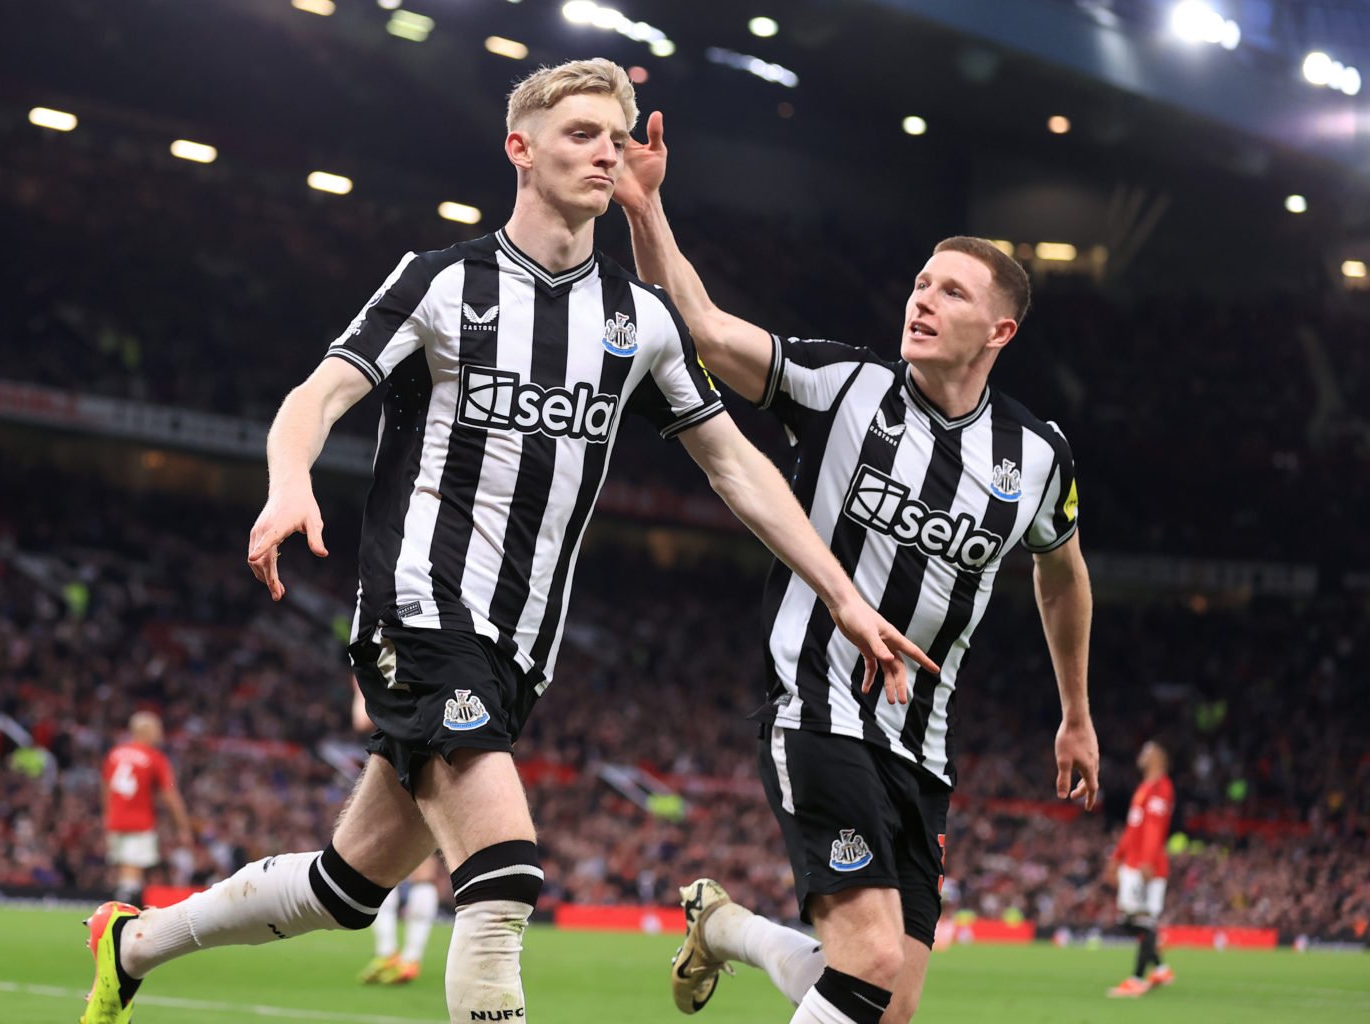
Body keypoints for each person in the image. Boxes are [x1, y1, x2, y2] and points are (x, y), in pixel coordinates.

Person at [76, 58, 934, 1024]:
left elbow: (736, 466)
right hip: (421, 607)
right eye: (579, 134)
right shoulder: (442, 282)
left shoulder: (636, 319)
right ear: (519, 149)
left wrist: (845, 597)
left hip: (519, 650)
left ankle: (132, 941)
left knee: (347, 887)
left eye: (615, 138)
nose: (604, 152)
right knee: (505, 871)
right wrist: (287, 484)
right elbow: (317, 395)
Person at [613, 113, 1101, 1024]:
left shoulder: (1037, 456)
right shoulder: (845, 388)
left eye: (950, 292)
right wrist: (646, 210)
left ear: (999, 329)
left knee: (892, 1004)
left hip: (922, 741)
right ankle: (729, 932)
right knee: (871, 959)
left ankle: (724, 929)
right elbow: (706, 331)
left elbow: (1062, 573)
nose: (922, 300)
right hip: (819, 702)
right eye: (920, 283)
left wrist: (1075, 713)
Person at [350, 675, 442, 986]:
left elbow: (362, 719)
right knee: (421, 869)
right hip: (441, 767)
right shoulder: (439, 666)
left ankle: (391, 953)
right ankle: (406, 958)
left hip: (399, 767)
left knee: (384, 865)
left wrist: (358, 685)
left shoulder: (392, 670)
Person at [100, 711, 193, 908]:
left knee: (124, 868)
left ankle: (121, 908)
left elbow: (106, 788)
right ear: (146, 731)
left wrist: (107, 816)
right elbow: (170, 795)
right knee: (132, 870)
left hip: (115, 819)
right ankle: (122, 915)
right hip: (139, 821)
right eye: (157, 729)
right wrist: (183, 826)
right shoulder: (154, 758)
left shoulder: (115, 754)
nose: (160, 733)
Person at [1105, 740, 1176, 998]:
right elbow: (1133, 829)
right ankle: (1161, 968)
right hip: (1134, 863)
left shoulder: (1161, 788)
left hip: (1148, 866)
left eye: (1147, 751)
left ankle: (1136, 980)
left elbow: (1155, 829)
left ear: (1158, 759)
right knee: (1129, 921)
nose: (1141, 754)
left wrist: (1147, 861)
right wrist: (1116, 859)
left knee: (1140, 921)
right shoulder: (1144, 789)